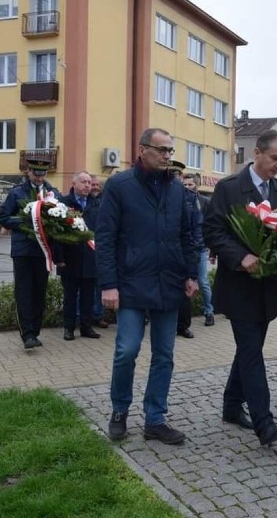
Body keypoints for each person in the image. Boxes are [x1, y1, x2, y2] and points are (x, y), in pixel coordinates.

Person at [96, 128, 199, 445]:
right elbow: (105, 238)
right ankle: (119, 412)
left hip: (169, 283)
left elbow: (187, 235)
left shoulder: (177, 190)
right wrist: (109, 284)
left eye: (170, 150)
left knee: (165, 355)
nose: (168, 155)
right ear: (142, 150)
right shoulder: (119, 186)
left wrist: (191, 274)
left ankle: (155, 418)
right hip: (130, 283)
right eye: (162, 150)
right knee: (127, 350)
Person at [203, 129, 277, 446]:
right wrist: (241, 257)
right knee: (252, 351)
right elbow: (212, 231)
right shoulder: (229, 189)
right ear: (257, 152)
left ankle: (230, 405)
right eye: (274, 158)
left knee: (248, 350)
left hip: (267, 288)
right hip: (238, 284)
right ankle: (263, 423)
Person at [0, 158, 62, 349]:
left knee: (39, 293)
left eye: (43, 174)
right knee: (24, 293)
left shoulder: (53, 193)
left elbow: (62, 215)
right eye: (36, 174)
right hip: (23, 250)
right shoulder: (17, 193)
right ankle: (27, 334)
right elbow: (3, 217)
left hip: (43, 251)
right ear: (29, 173)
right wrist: (26, 221)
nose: (40, 178)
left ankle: (35, 330)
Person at [57, 170, 102, 341]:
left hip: (91, 258)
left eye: (89, 182)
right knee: (70, 296)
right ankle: (68, 328)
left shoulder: (96, 204)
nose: (87, 185)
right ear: (74, 184)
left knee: (88, 297)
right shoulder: (63, 203)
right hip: (70, 258)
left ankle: (86, 327)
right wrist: (59, 258)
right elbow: (57, 234)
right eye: (83, 182)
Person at [182, 173, 216, 327]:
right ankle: (183, 318)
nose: (187, 187)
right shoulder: (180, 201)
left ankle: (209, 312)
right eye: (185, 185)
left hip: (200, 249)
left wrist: (210, 247)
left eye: (190, 184)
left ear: (197, 185)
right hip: (184, 248)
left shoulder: (204, 202)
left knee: (202, 281)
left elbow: (210, 226)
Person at [170, 161, 196, 339]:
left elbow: (195, 227)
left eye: (177, 175)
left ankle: (183, 325)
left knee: (184, 293)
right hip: (166, 252)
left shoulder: (189, 197)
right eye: (171, 173)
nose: (174, 178)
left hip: (184, 250)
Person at [89, 174, 109, 328]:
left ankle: (98, 315)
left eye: (96, 184)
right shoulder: (84, 201)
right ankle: (82, 317)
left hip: (101, 247)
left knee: (99, 285)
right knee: (84, 287)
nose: (94, 187)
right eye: (92, 184)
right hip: (85, 247)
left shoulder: (105, 201)